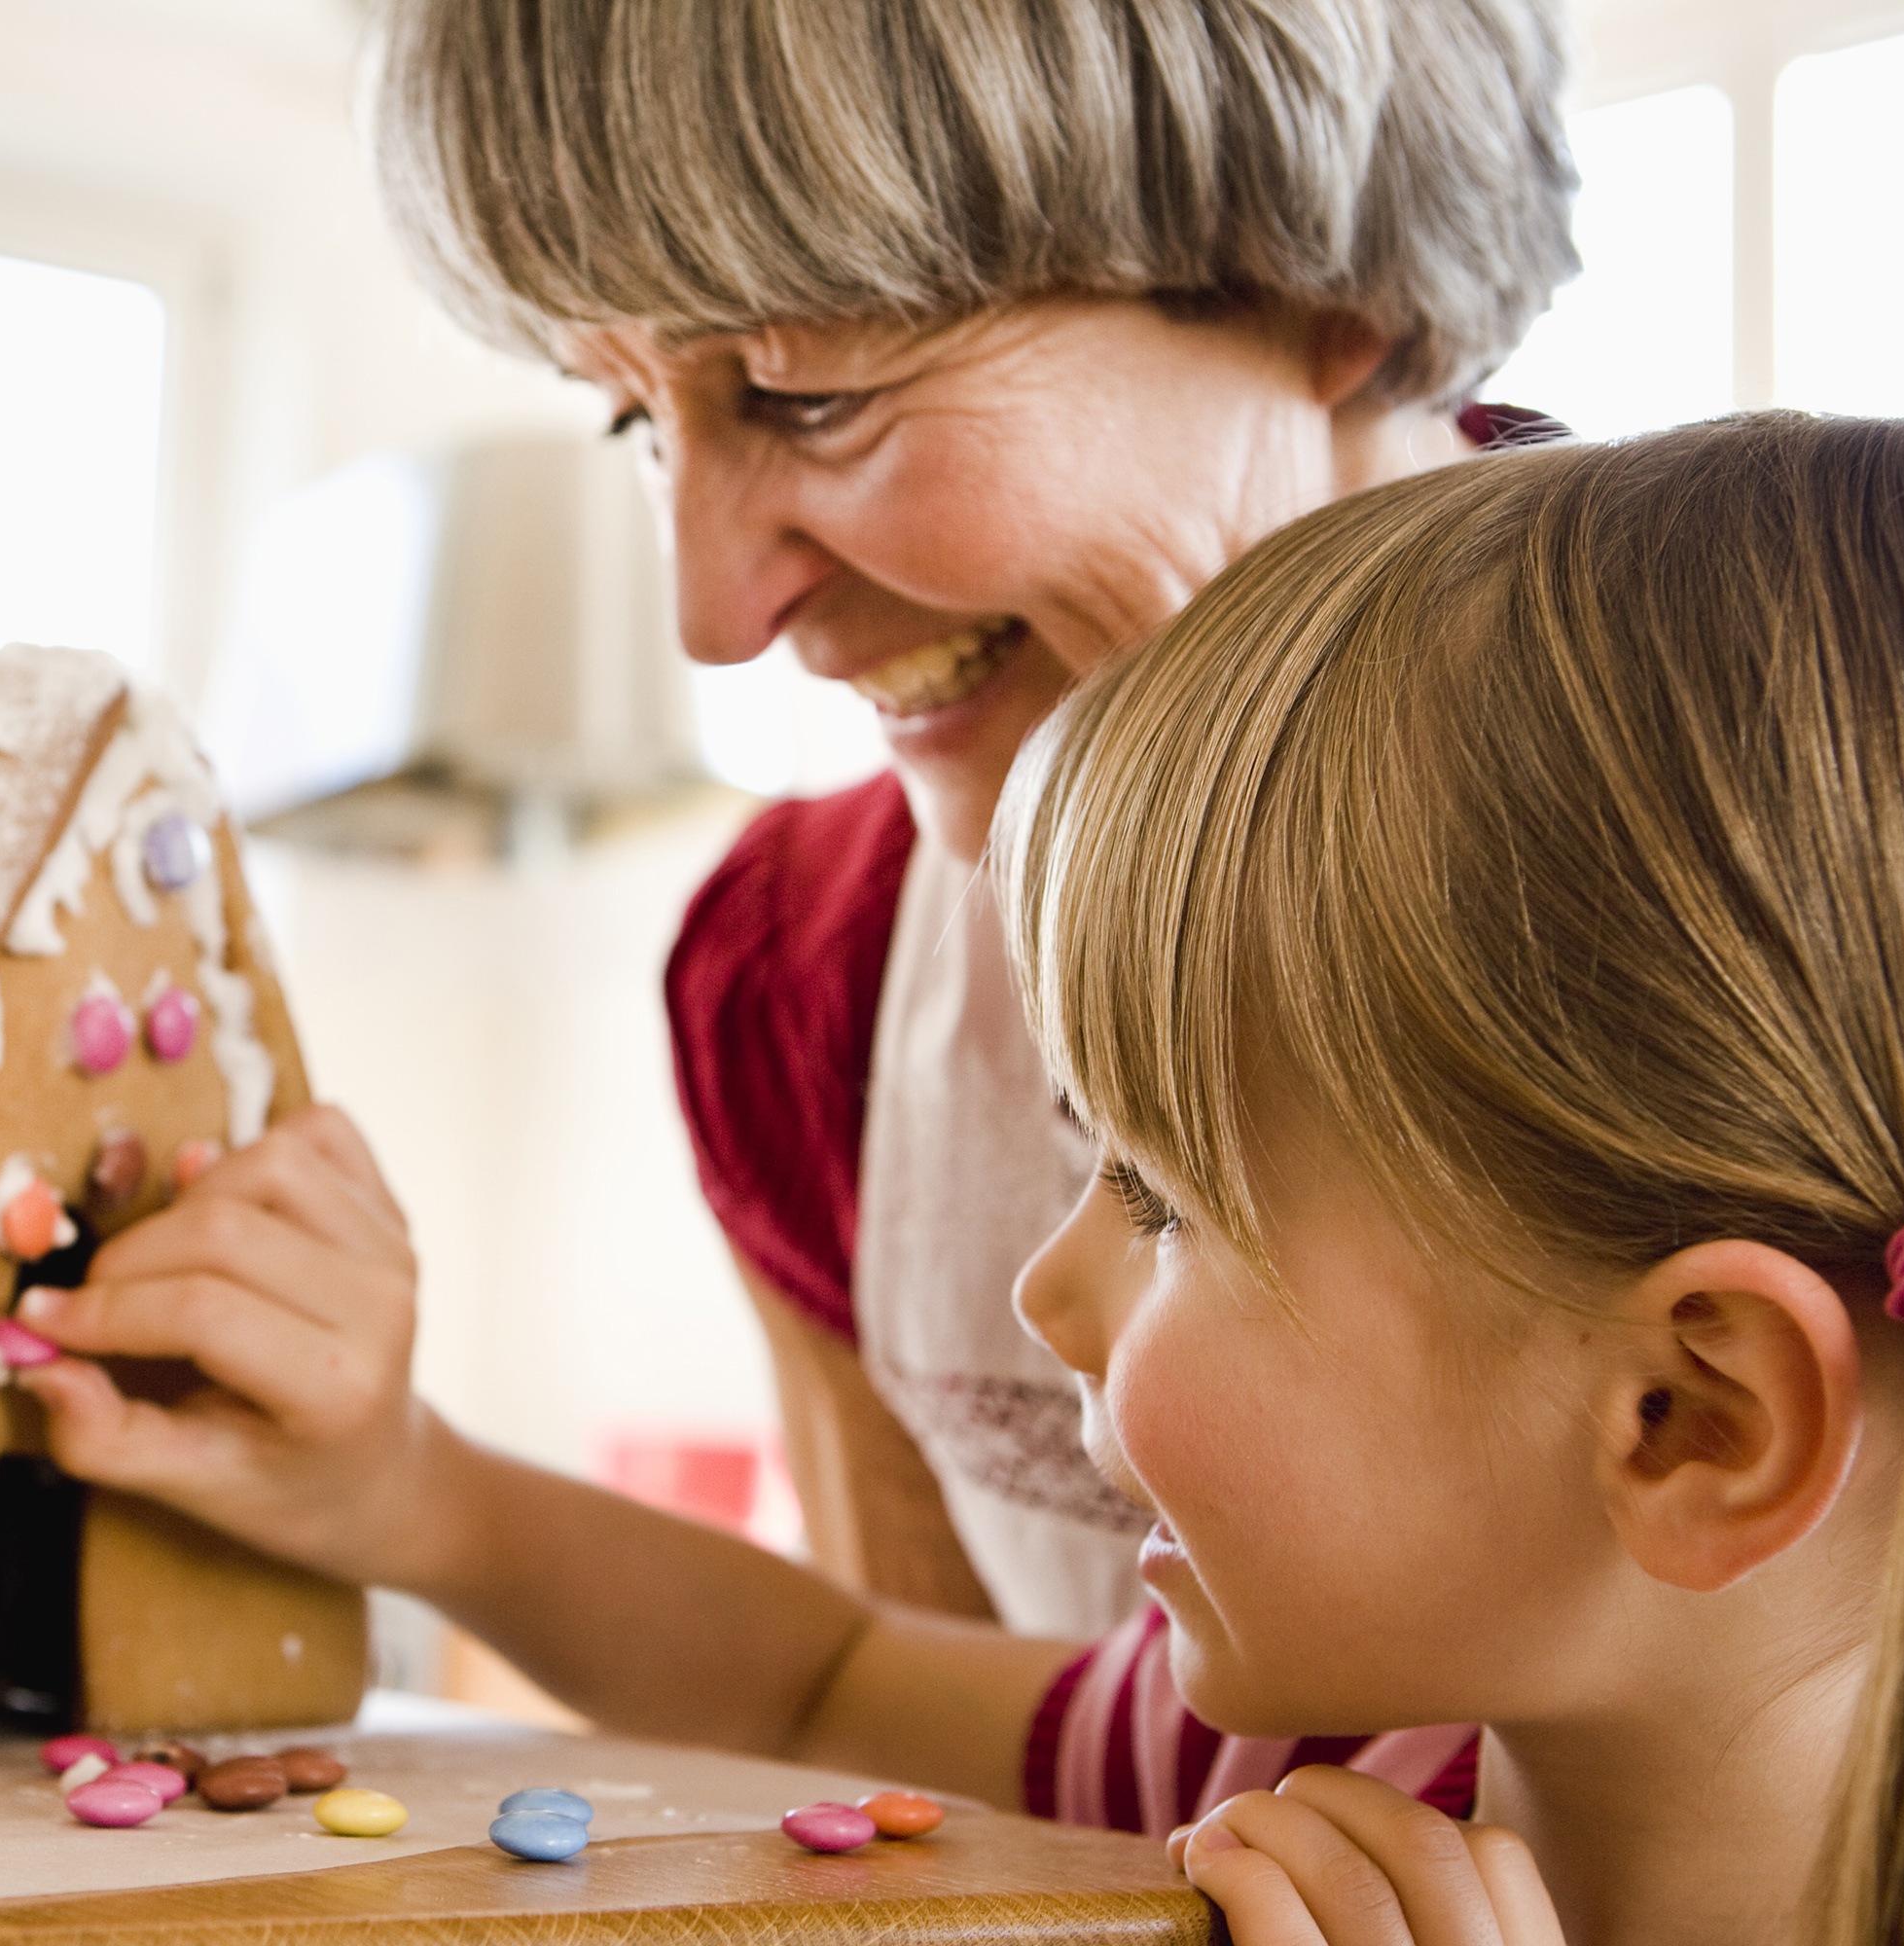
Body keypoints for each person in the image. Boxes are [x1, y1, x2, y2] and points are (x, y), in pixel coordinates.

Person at [23, 413, 1904, 1942]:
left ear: (1690, 1416)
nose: (1053, 1290)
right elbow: (824, 1683)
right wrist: (410, 1488)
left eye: (1161, 1196)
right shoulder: (1351, 1751)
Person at [377, 0, 1579, 1635]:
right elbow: (918, 1763)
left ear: (1323, 294)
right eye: (640, 423)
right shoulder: (798, 980)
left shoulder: (1837, 852)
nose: (716, 614)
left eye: (811, 393)